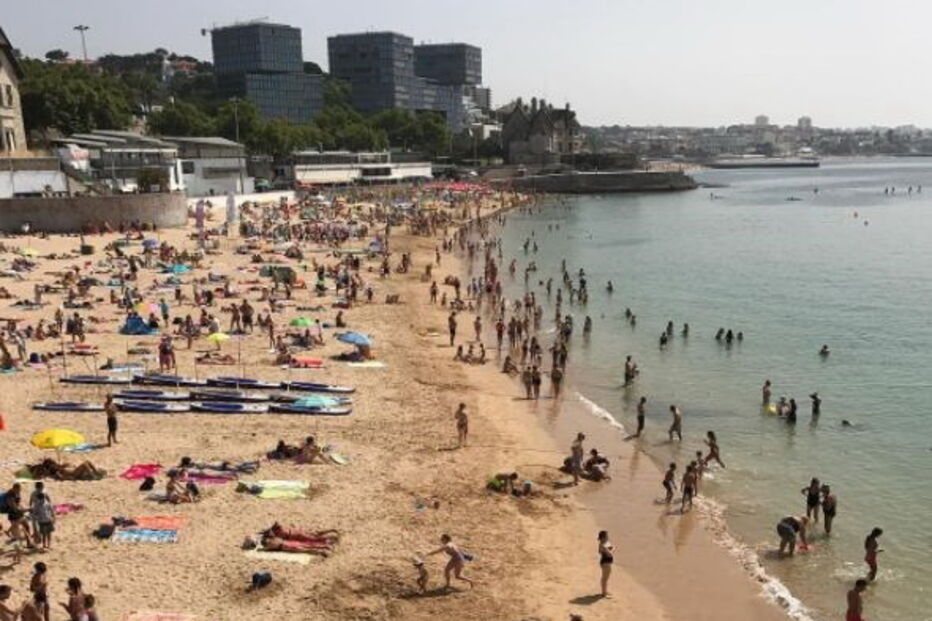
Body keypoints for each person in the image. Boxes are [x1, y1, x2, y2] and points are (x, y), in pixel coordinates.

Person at [29, 483, 55, 550]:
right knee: (43, 533)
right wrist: (32, 511)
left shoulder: (45, 494)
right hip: (41, 520)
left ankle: (48, 545)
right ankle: (43, 545)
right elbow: (31, 502)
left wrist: (53, 517)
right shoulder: (34, 495)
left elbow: (50, 506)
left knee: (49, 533)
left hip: (48, 519)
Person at [597, 530, 614, 598]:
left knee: (606, 578)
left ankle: (605, 591)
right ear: (603, 537)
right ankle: (604, 593)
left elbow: (610, 549)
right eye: (607, 536)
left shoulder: (604, 543)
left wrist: (611, 549)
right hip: (605, 563)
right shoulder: (602, 545)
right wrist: (612, 549)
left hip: (606, 562)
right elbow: (610, 554)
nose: (608, 537)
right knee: (605, 578)